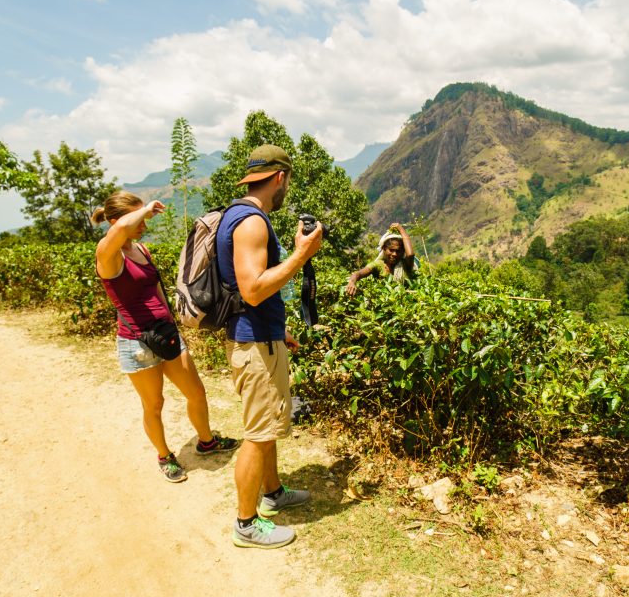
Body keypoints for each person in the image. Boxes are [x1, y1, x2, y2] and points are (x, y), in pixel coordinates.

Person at [217, 144, 324, 549]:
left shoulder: (241, 216)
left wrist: (279, 332)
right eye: (288, 182)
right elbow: (253, 288)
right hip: (253, 345)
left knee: (269, 426)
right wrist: (301, 254)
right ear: (279, 178)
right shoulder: (252, 223)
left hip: (264, 339)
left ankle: (273, 493)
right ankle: (246, 524)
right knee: (258, 435)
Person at [92, 190, 237, 483]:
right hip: (136, 341)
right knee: (154, 404)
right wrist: (144, 208)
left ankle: (206, 441)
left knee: (196, 392)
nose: (145, 224)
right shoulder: (107, 254)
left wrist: (172, 321)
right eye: (139, 218)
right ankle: (164, 455)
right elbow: (119, 229)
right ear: (116, 220)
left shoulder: (141, 251)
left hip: (166, 334)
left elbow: (155, 288)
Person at [346, 222, 417, 295]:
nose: (394, 254)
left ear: (402, 252)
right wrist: (352, 282)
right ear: (384, 249)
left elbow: (410, 254)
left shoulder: (406, 265)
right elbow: (359, 273)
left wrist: (401, 230)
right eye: (391, 250)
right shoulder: (378, 265)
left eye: (398, 251)